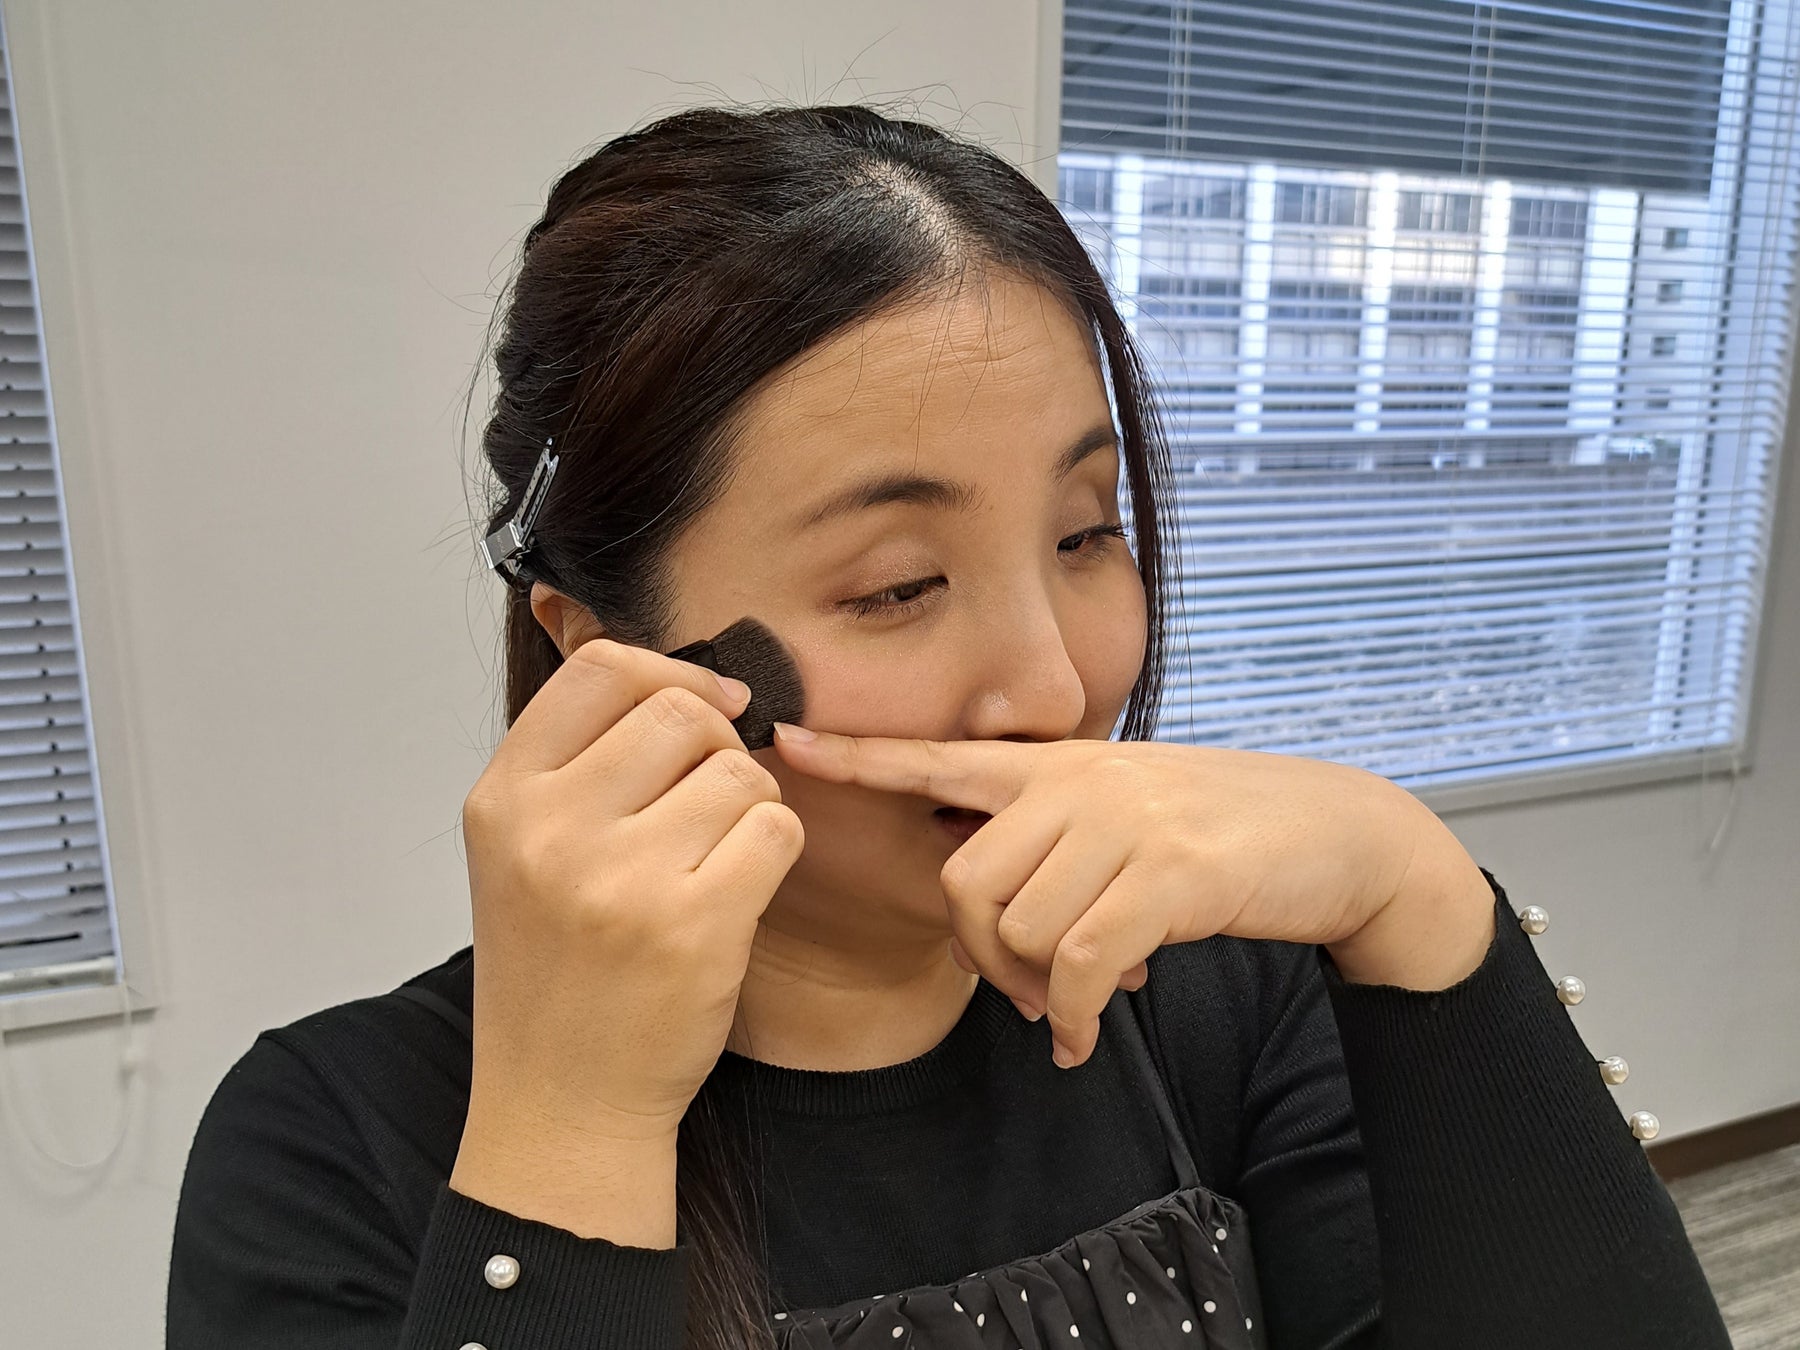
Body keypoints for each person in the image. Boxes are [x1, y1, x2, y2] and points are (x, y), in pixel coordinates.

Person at [164, 103, 1733, 1350]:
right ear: (606, 652)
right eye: (899, 585)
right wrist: (571, 1128)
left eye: (1087, 531)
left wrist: (1411, 886)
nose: (1052, 690)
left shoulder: (1225, 1006)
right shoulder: (340, 1141)